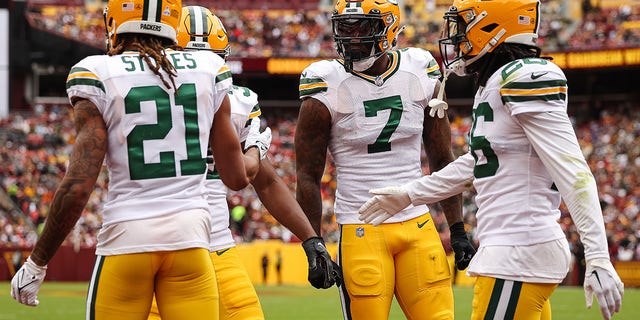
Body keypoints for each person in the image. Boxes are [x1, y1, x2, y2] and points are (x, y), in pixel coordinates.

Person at [358, 0, 625, 319]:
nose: (456, 38)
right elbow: (479, 160)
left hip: (518, 252)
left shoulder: (525, 75)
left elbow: (573, 169)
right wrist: (410, 194)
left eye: (464, 26)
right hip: (516, 251)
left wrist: (598, 254)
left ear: (492, 27)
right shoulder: (497, 82)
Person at [9, 0, 271, 319]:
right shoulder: (208, 71)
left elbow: (78, 187)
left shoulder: (97, 72)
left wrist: (37, 262)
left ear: (117, 22)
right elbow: (236, 178)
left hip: (128, 238)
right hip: (191, 241)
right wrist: (254, 146)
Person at [147, 6, 341, 320]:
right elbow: (250, 176)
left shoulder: (134, 91)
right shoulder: (236, 102)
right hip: (192, 246)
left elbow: (265, 181)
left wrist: (311, 238)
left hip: (177, 244)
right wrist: (253, 151)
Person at [295, 0, 476, 319]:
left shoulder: (419, 68)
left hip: (418, 222)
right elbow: (308, 174)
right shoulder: (325, 81)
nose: (352, 38)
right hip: (360, 225)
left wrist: (457, 228)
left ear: (388, 28)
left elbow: (441, 156)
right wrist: (313, 241)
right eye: (345, 28)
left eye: (362, 28)